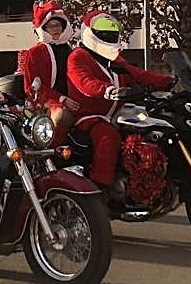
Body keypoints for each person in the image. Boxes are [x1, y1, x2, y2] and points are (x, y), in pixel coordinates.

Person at [67, 11, 174, 196]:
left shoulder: (115, 59)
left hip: (118, 113)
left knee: (150, 127)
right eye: (103, 33)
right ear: (89, 32)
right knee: (109, 139)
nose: (108, 36)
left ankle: (145, 183)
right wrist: (109, 90)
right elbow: (84, 82)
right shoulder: (78, 57)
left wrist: (170, 82)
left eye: (112, 33)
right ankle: (100, 190)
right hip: (90, 116)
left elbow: (138, 74)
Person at [17, 0, 80, 134]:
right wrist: (61, 99)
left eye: (58, 25)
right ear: (43, 29)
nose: (55, 29)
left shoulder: (70, 50)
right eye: (50, 26)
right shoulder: (36, 52)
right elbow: (32, 88)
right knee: (63, 117)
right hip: (46, 102)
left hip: (71, 99)